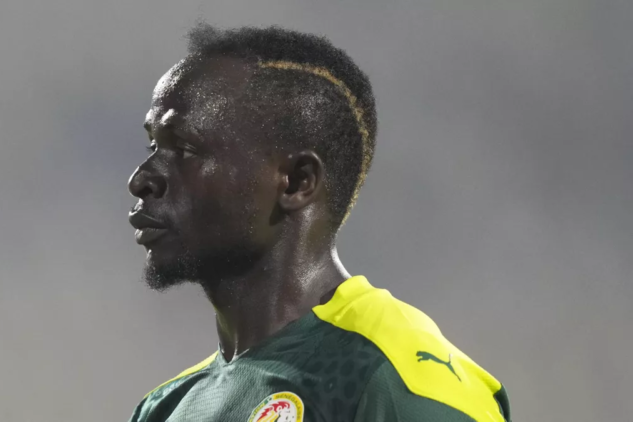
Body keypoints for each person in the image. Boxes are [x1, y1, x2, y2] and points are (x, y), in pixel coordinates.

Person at [126, 22, 511, 422]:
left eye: (184, 148)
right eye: (154, 145)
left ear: (297, 181)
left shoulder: (399, 382)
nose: (141, 180)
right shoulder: (165, 408)